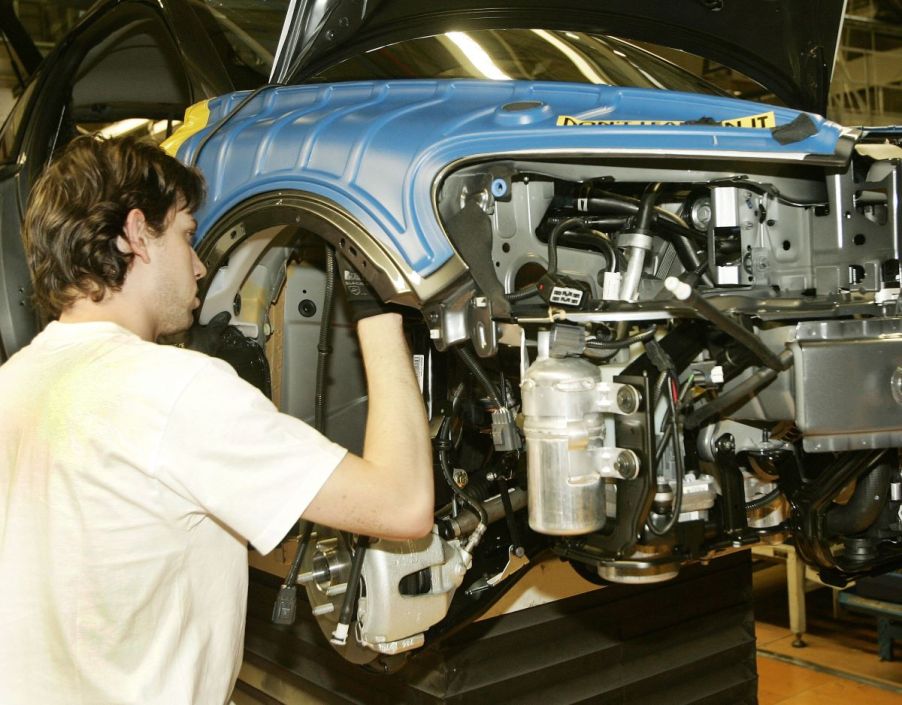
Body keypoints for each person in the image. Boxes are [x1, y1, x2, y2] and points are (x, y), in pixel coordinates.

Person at [0, 135, 433, 704]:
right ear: (136, 234)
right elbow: (402, 505)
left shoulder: (15, 380)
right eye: (185, 235)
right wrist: (379, 313)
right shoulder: (174, 389)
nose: (201, 264)